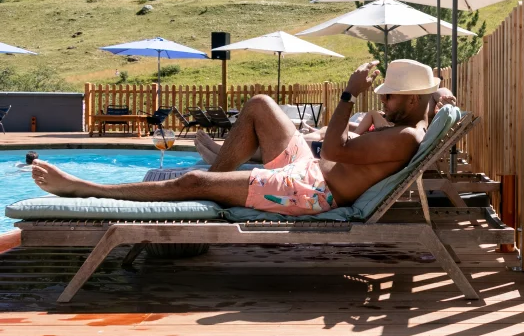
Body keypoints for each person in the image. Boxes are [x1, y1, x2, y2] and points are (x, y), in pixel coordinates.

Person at [31, 59, 441, 216]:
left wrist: (349, 96)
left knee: (194, 182)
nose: (382, 98)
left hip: (310, 190)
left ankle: (86, 187)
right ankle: (219, 182)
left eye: (388, 94)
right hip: (309, 168)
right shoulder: (413, 123)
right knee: (260, 103)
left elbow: (335, 148)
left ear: (410, 98)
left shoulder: (404, 136)